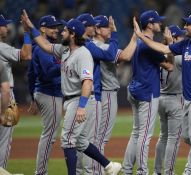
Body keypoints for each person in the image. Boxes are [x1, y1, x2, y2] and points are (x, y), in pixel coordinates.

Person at [21, 10, 121, 175]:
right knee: (80, 141)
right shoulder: (65, 50)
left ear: (73, 34)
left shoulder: (83, 54)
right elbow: (44, 45)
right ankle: (110, 166)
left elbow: (88, 82)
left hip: (79, 100)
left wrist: (81, 106)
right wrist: (30, 27)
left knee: (67, 140)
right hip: (71, 101)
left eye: (66, 30)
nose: (62, 32)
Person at [133, 12, 191, 175]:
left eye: (188, 24)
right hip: (186, 99)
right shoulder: (185, 44)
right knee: (186, 136)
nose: (185, 26)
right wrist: (141, 37)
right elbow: (164, 48)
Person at [121, 10, 173, 175]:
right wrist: (170, 42)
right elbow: (169, 66)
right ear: (150, 24)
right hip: (147, 91)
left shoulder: (137, 40)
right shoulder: (148, 44)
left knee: (136, 132)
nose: (160, 23)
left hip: (135, 88)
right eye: (157, 21)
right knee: (145, 134)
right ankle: (142, 171)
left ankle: (127, 169)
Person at [74, 13, 120, 175]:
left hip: (78, 96)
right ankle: (92, 172)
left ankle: (81, 172)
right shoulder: (87, 44)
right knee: (89, 141)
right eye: (92, 25)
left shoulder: (76, 45)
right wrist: (114, 34)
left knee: (80, 140)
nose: (95, 27)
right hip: (91, 96)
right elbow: (109, 55)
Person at [27, 15, 63, 175]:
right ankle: (40, 172)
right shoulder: (43, 48)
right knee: (49, 136)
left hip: (43, 92)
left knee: (48, 134)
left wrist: (33, 96)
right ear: (42, 29)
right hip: (50, 93)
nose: (56, 29)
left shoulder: (41, 47)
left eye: (57, 26)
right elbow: (49, 73)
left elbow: (30, 75)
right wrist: (67, 61)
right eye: (52, 27)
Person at [0, 13, 32, 169]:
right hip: (3, 95)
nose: (7, 27)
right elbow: (26, 54)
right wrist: (26, 32)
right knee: (4, 141)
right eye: (4, 25)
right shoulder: (1, 47)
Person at [153, 25, 185, 175]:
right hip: (175, 99)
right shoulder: (178, 57)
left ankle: (157, 171)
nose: (184, 39)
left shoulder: (158, 54)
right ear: (175, 38)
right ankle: (168, 172)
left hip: (160, 98)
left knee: (163, 137)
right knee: (173, 138)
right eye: (181, 37)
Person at [91, 15, 122, 175]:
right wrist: (136, 36)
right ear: (96, 29)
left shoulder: (97, 45)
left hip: (100, 94)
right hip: (107, 94)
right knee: (100, 138)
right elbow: (125, 56)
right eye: (106, 26)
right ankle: (97, 172)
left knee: (95, 137)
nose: (109, 29)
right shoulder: (101, 47)